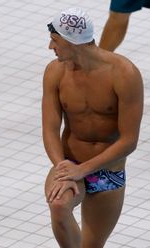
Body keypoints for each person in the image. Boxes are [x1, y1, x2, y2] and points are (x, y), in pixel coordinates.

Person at [43, 7, 143, 248]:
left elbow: (128, 140)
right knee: (58, 206)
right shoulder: (55, 72)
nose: (50, 47)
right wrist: (62, 167)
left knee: (92, 245)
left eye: (54, 40)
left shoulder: (124, 74)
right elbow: (49, 129)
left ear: (71, 41)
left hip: (107, 172)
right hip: (70, 163)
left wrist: (85, 170)